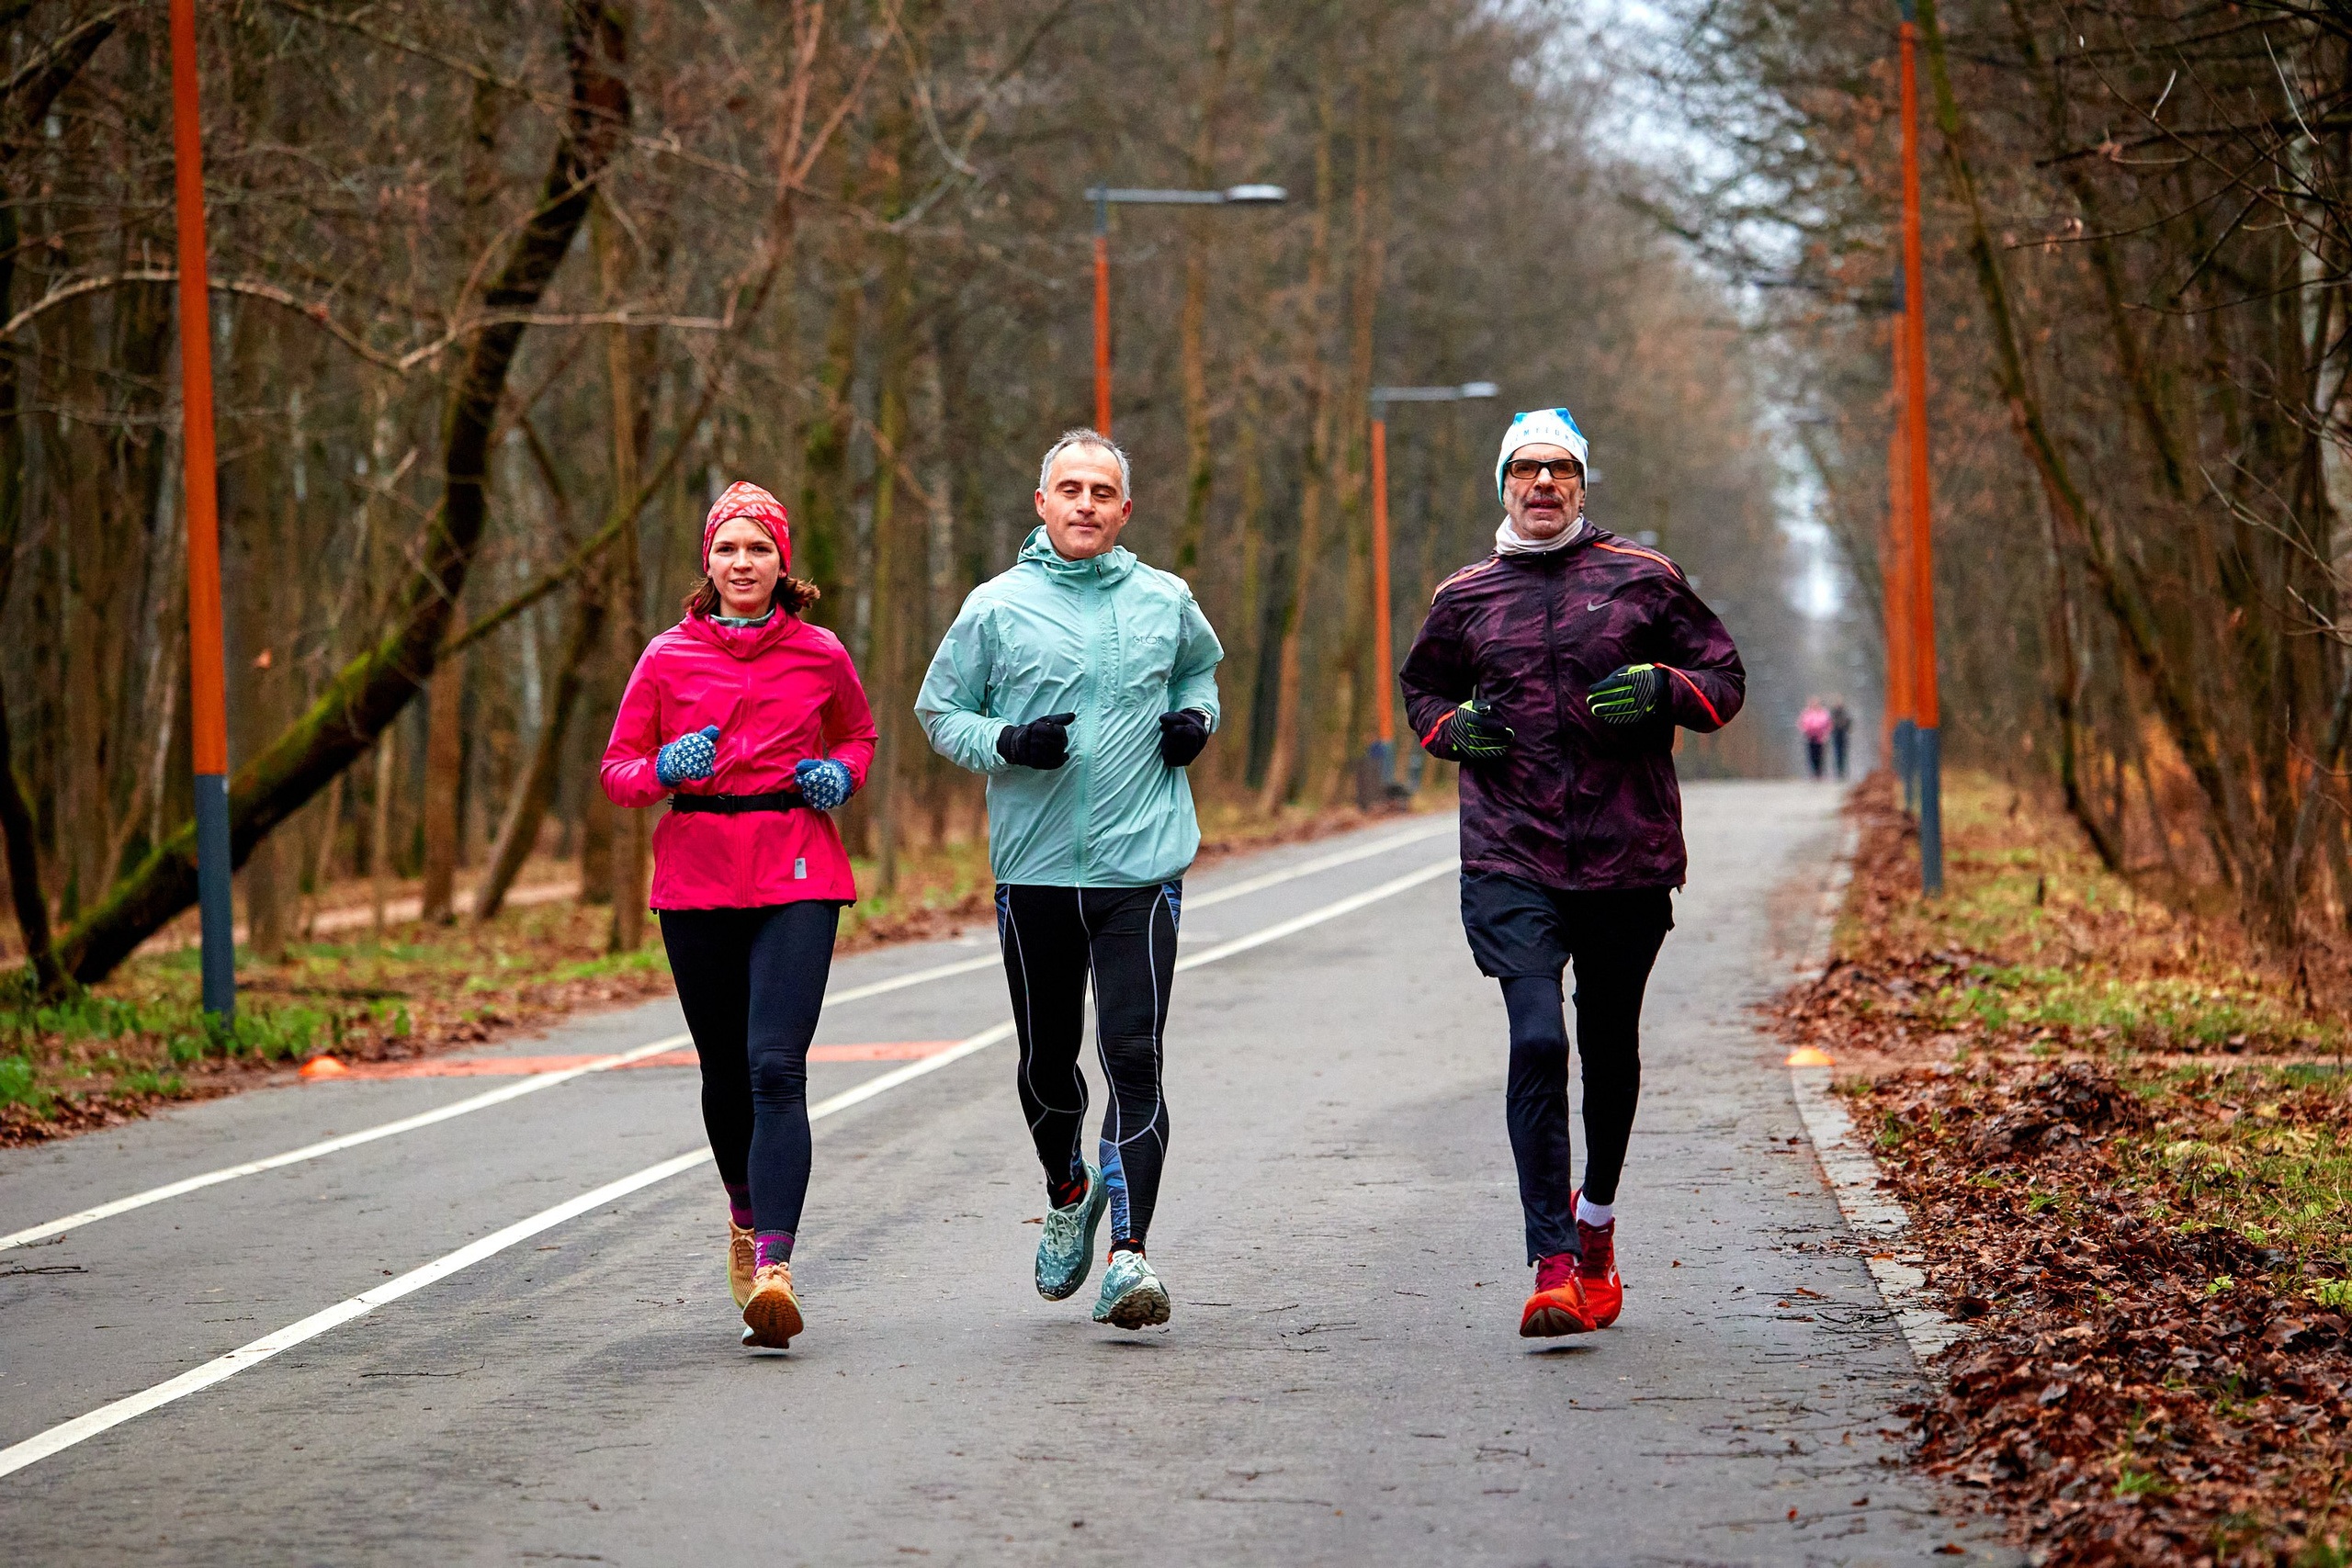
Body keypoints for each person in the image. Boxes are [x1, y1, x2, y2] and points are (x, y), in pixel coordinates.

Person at [1398, 407, 1744, 1339]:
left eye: (1559, 471)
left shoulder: (1642, 580)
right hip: (1509, 856)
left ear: (1582, 486)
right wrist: (1448, 730)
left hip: (1627, 854)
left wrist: (1667, 689)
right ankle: (1550, 1264)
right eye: (1525, 471)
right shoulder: (1463, 596)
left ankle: (1595, 1225)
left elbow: (1723, 677)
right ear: (1503, 485)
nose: (1542, 485)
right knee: (1539, 1039)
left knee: (1609, 1048)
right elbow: (1421, 688)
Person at [916, 429, 1223, 1330]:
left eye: (1101, 491)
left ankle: (1129, 1257)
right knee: (1047, 1063)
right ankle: (1066, 1189)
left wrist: (1194, 719)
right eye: (1068, 489)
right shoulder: (994, 608)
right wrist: (1003, 743)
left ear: (1124, 511)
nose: (1084, 504)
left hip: (1143, 865)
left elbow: (1201, 670)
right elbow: (940, 710)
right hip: (1035, 872)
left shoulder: (1166, 600)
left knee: (1133, 1056)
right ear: (1041, 505)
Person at [601, 481, 877, 1351]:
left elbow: (859, 735)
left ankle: (776, 1267)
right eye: (728, 549)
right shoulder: (665, 658)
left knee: (774, 1066)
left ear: (781, 561)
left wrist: (841, 774)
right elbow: (617, 770)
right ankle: (745, 1210)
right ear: (708, 562)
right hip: (698, 873)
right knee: (725, 1071)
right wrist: (664, 770)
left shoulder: (822, 653)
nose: (743, 563)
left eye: (759, 549)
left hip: (798, 867)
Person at [1799, 698, 1831, 780]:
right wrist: (1805, 731)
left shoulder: (1824, 713)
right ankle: (1813, 773)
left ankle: (1819, 773)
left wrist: (1826, 734)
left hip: (1821, 738)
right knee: (1811, 755)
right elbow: (1802, 724)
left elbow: (1828, 725)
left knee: (1820, 755)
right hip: (1810, 737)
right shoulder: (1806, 713)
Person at [1829, 696, 1852, 781]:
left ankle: (1843, 771)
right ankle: (1838, 771)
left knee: (1843, 754)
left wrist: (1846, 726)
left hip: (1843, 735)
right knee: (1837, 753)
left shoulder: (1845, 713)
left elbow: (1849, 725)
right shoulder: (1833, 713)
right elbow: (1830, 724)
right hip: (1836, 736)